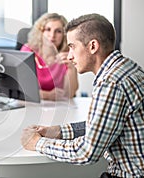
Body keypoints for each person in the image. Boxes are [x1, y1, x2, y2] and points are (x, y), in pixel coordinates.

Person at [21, 13, 144, 178]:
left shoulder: (110, 83)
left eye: (72, 46)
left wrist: (37, 143)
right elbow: (103, 125)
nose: (70, 55)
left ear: (93, 46)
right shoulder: (126, 68)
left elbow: (86, 153)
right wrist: (56, 131)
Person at [20, 13, 78, 101]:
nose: (52, 35)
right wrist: (48, 95)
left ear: (64, 35)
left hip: (58, 108)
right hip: (31, 105)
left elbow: (69, 94)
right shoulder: (28, 50)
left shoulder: (66, 56)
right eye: (48, 29)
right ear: (40, 32)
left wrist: (71, 68)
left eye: (58, 31)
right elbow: (21, 90)